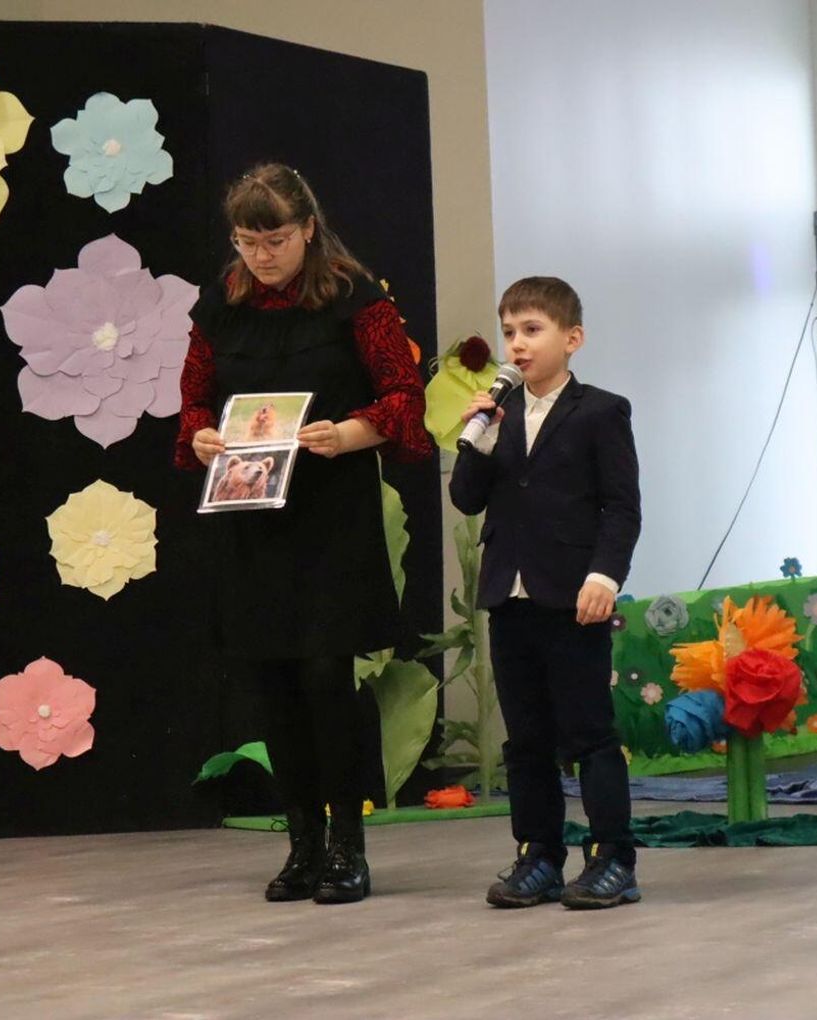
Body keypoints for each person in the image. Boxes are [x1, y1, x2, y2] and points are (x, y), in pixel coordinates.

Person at [175, 162, 431, 904]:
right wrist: (200, 438)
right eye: (247, 241)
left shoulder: (356, 298)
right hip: (251, 521)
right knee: (272, 683)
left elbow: (403, 396)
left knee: (325, 679)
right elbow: (194, 403)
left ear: (308, 229)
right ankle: (302, 847)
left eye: (276, 240)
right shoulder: (220, 304)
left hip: (330, 517)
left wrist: (348, 435)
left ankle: (348, 844)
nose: (261, 256)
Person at [448, 276, 642, 910]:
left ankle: (613, 857)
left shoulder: (601, 411)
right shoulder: (499, 415)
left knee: (589, 732)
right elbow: (466, 498)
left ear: (572, 338)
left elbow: (621, 508)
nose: (518, 345)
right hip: (510, 595)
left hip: (573, 595)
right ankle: (539, 855)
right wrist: (478, 439)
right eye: (509, 332)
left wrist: (604, 576)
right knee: (526, 737)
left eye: (532, 330)